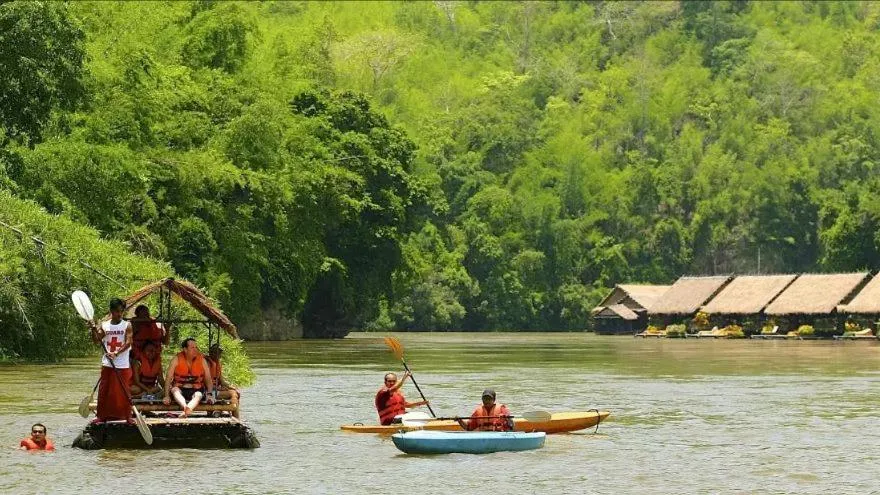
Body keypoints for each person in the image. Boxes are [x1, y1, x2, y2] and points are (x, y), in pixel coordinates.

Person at [89, 298, 134, 422]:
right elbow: (96, 340)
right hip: (107, 363)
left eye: (121, 311)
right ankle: (101, 416)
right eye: (116, 311)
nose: (119, 314)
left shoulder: (127, 325)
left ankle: (127, 416)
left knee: (123, 391)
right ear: (111, 311)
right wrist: (93, 329)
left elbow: (128, 342)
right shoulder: (105, 325)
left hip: (122, 364)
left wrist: (116, 353)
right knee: (104, 390)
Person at [162, 338, 214, 417]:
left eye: (196, 347)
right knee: (175, 390)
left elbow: (208, 380)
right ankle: (185, 407)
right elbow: (168, 378)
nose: (195, 349)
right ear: (185, 349)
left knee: (199, 395)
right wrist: (166, 396)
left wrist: (209, 394)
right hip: (180, 388)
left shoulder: (202, 360)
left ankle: (188, 408)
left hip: (196, 389)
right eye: (192, 348)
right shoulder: (176, 359)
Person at [205, 344, 240, 419]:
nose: (219, 355)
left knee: (235, 391)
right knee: (233, 394)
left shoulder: (218, 364)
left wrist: (231, 387)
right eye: (216, 353)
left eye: (219, 353)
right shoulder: (206, 364)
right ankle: (236, 418)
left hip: (215, 389)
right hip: (208, 392)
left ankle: (224, 411)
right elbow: (204, 383)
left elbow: (222, 381)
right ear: (210, 353)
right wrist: (218, 389)